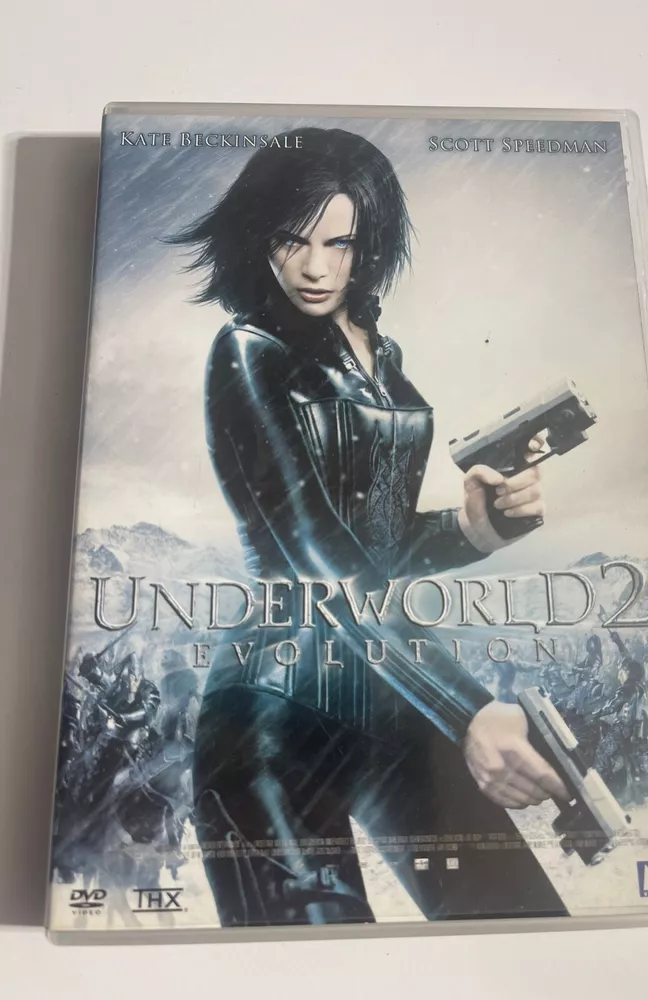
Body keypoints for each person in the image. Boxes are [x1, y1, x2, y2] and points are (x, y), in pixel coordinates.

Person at [171, 127, 569, 926]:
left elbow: (375, 545)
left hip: (388, 692)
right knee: (307, 966)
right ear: (260, 237)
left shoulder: (381, 357)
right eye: (292, 240)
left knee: (520, 918)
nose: (315, 267)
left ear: (369, 244)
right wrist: (468, 707)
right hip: (273, 709)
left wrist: (474, 530)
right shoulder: (248, 350)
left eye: (339, 242)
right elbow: (317, 556)